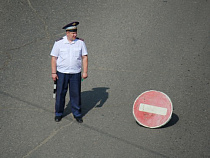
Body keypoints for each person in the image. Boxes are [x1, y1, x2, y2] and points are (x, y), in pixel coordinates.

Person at [50, 21, 88, 123]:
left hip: (75, 73)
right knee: (60, 94)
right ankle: (58, 113)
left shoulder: (80, 43)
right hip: (62, 73)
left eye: (75, 33)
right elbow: (54, 58)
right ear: (67, 33)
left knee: (75, 94)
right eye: (72, 33)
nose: (75, 35)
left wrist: (85, 71)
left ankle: (77, 114)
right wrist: (54, 73)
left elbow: (84, 57)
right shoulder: (59, 43)